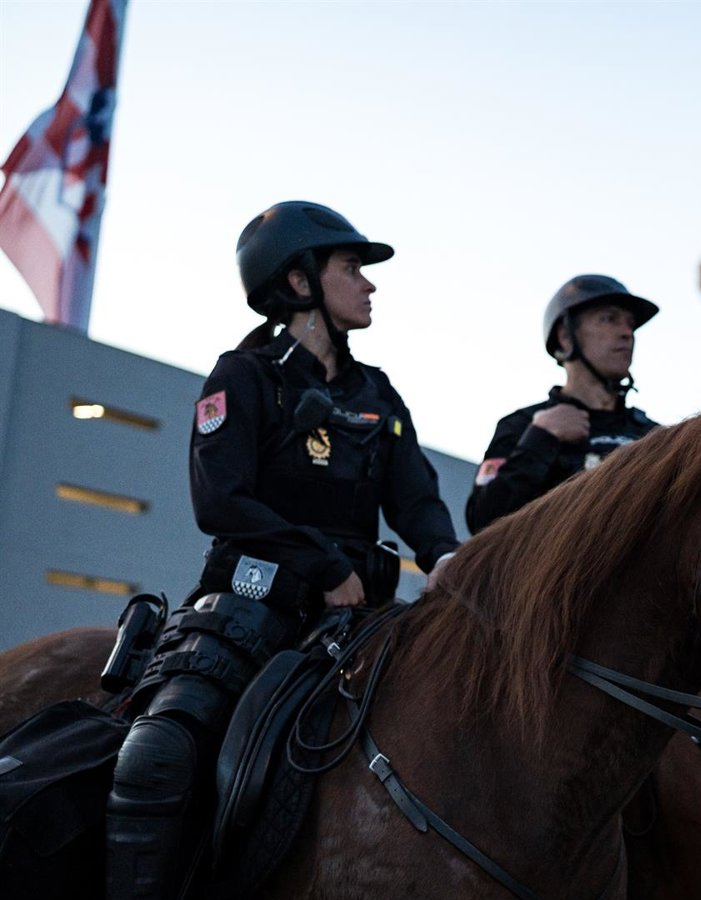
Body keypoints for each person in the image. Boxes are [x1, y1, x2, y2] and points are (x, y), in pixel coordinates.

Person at [103, 201, 461, 900]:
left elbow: (415, 500)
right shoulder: (243, 376)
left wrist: (447, 556)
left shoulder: (377, 395)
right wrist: (320, 564)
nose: (369, 284)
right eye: (351, 268)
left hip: (362, 618)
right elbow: (221, 502)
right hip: (249, 606)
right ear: (299, 283)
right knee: (158, 756)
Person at [465, 274, 658, 534]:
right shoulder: (522, 426)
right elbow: (483, 522)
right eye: (609, 319)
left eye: (630, 324)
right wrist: (539, 440)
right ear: (566, 336)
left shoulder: (653, 437)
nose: (626, 333)